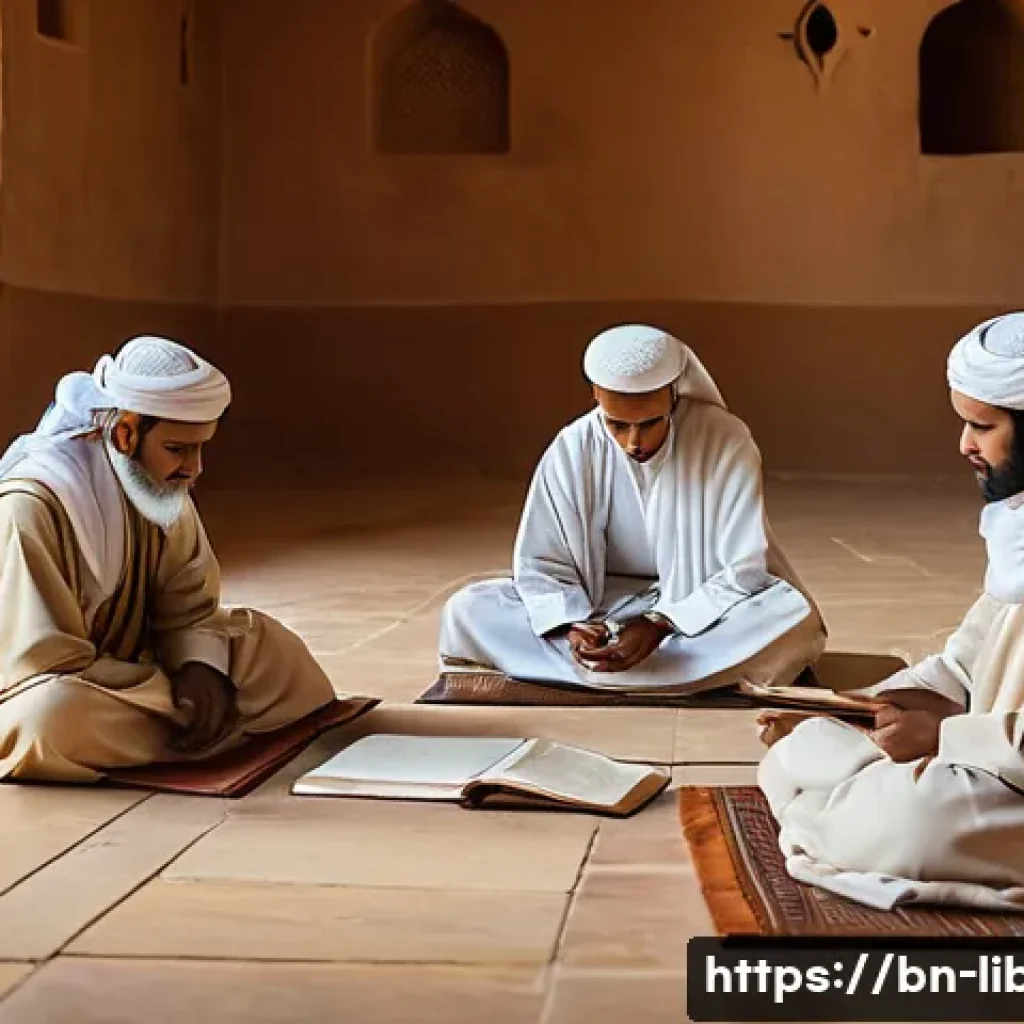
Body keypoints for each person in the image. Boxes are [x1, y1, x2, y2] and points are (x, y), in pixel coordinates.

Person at [758, 312, 1024, 912]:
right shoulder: (1018, 531)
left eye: (982, 426)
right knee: (806, 746)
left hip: (1002, 777)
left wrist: (943, 735)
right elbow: (964, 663)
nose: (964, 445)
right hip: (994, 763)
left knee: (915, 821)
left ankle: (841, 803)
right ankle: (844, 787)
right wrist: (870, 705)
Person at [0, 336, 355, 783]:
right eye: (179, 449)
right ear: (126, 433)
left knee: (276, 655)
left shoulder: (160, 489)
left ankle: (183, 727)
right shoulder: (33, 503)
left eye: (200, 447)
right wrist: (169, 688)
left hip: (141, 677)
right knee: (47, 722)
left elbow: (191, 608)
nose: (195, 468)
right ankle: (204, 728)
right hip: (57, 685)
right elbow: (42, 662)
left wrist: (199, 665)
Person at [438, 324, 825, 693]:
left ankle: (582, 676)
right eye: (618, 425)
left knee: (791, 617)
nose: (633, 443)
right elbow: (542, 564)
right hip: (601, 603)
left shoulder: (726, 439)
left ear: (673, 395)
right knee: (467, 609)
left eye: (650, 423)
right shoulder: (573, 446)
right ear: (595, 395)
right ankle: (662, 674)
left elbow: (744, 568)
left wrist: (661, 623)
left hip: (698, 611)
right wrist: (572, 625)